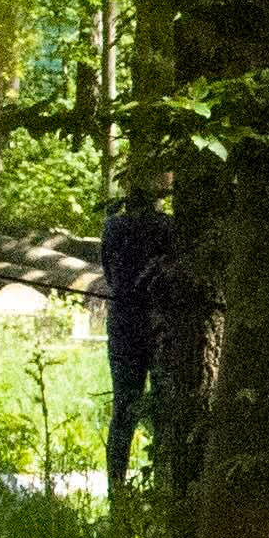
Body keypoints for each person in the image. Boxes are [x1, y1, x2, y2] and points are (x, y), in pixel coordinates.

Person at [102, 188, 174, 496]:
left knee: (124, 407)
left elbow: (108, 273)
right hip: (158, 324)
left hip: (123, 322)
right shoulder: (168, 227)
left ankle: (116, 490)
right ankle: (163, 487)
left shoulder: (113, 228)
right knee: (162, 406)